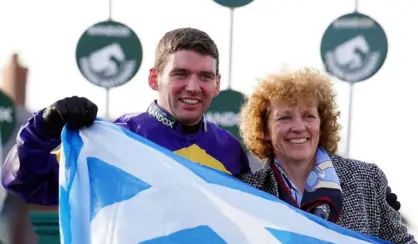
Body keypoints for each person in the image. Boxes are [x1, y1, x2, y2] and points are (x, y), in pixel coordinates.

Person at [1, 27, 251, 206]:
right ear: (155, 78)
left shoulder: (228, 149)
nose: (193, 87)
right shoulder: (118, 138)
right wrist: (45, 126)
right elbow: (27, 182)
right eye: (180, 74)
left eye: (205, 76)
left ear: (217, 84)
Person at [237, 67, 418, 244]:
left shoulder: (366, 180)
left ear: (322, 123)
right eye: (284, 117)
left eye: (309, 116)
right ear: (265, 129)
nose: (299, 127)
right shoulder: (245, 193)